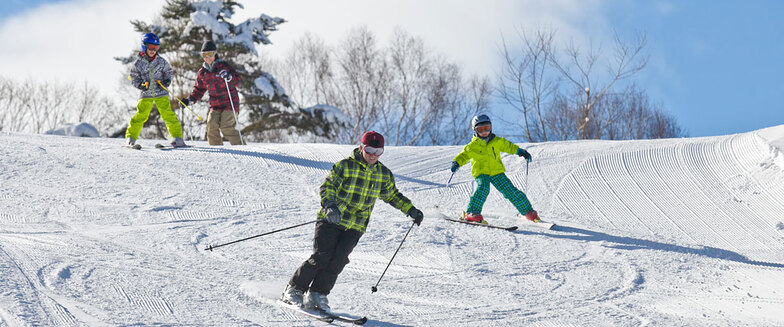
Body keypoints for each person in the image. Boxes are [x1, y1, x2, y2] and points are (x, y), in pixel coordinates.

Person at [281, 131, 424, 311]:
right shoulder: (345, 166)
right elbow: (328, 186)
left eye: (378, 151)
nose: (373, 155)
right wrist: (330, 206)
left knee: (338, 260)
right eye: (370, 150)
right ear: (362, 148)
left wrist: (411, 210)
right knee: (321, 256)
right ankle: (294, 289)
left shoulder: (383, 174)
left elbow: (392, 196)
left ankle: (318, 294)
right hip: (331, 220)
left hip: (356, 225)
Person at [450, 114, 539, 224]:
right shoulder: (472, 146)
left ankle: (528, 211)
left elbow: (508, 146)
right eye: (481, 129)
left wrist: (520, 151)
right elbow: (463, 155)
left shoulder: (497, 141)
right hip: (481, 173)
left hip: (497, 172)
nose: (484, 132)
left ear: (491, 127)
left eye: (486, 128)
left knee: (510, 190)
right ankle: (472, 213)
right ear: (475, 130)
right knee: (483, 188)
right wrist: (457, 162)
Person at [126, 32, 186, 147]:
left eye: (156, 47)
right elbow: (134, 77)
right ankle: (131, 138)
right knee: (141, 115)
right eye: (151, 47)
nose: (153, 50)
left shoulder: (161, 61)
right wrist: (141, 85)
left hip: (161, 92)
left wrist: (166, 81)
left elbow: (168, 72)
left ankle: (177, 138)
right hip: (146, 93)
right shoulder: (138, 64)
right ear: (144, 46)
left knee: (168, 114)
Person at [179, 41, 243, 145]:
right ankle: (218, 151)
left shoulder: (223, 67)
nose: (207, 57)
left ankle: (242, 148)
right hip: (215, 105)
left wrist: (229, 77)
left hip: (229, 104)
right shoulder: (202, 72)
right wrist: (189, 100)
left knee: (226, 127)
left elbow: (238, 80)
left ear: (215, 54)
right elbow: (198, 89)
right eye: (204, 55)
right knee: (211, 127)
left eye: (210, 54)